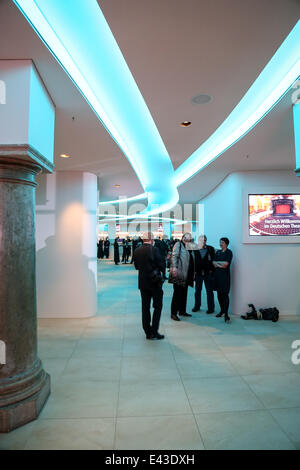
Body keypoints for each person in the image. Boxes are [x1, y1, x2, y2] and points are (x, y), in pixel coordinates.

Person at [133, 232, 165, 340]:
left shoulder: (137, 250)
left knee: (145, 308)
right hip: (155, 283)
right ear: (151, 239)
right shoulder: (154, 250)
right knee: (158, 306)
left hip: (143, 283)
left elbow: (136, 266)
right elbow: (161, 265)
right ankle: (154, 331)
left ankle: (147, 332)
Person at [169, 232, 195, 321]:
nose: (188, 239)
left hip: (187, 274)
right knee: (177, 293)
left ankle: (182, 311)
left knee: (184, 293)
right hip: (179, 273)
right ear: (183, 237)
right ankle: (173, 313)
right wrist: (174, 268)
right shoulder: (178, 244)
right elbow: (174, 256)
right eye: (187, 237)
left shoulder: (189, 246)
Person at [192, 235, 215, 314]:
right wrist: (193, 271)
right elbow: (193, 261)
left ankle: (211, 308)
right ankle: (197, 306)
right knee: (197, 291)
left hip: (207, 273)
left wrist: (212, 270)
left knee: (209, 291)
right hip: (198, 273)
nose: (203, 241)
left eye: (205, 240)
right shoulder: (195, 249)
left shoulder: (210, 249)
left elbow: (213, 259)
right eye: (202, 240)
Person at [213, 237, 233, 324]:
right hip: (217, 277)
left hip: (225, 277)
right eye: (220, 242)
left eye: (222, 242)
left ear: (226, 244)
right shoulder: (218, 252)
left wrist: (218, 264)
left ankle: (226, 314)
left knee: (225, 295)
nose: (220, 244)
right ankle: (222, 311)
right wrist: (220, 263)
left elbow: (226, 265)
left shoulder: (229, 252)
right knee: (219, 295)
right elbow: (213, 263)